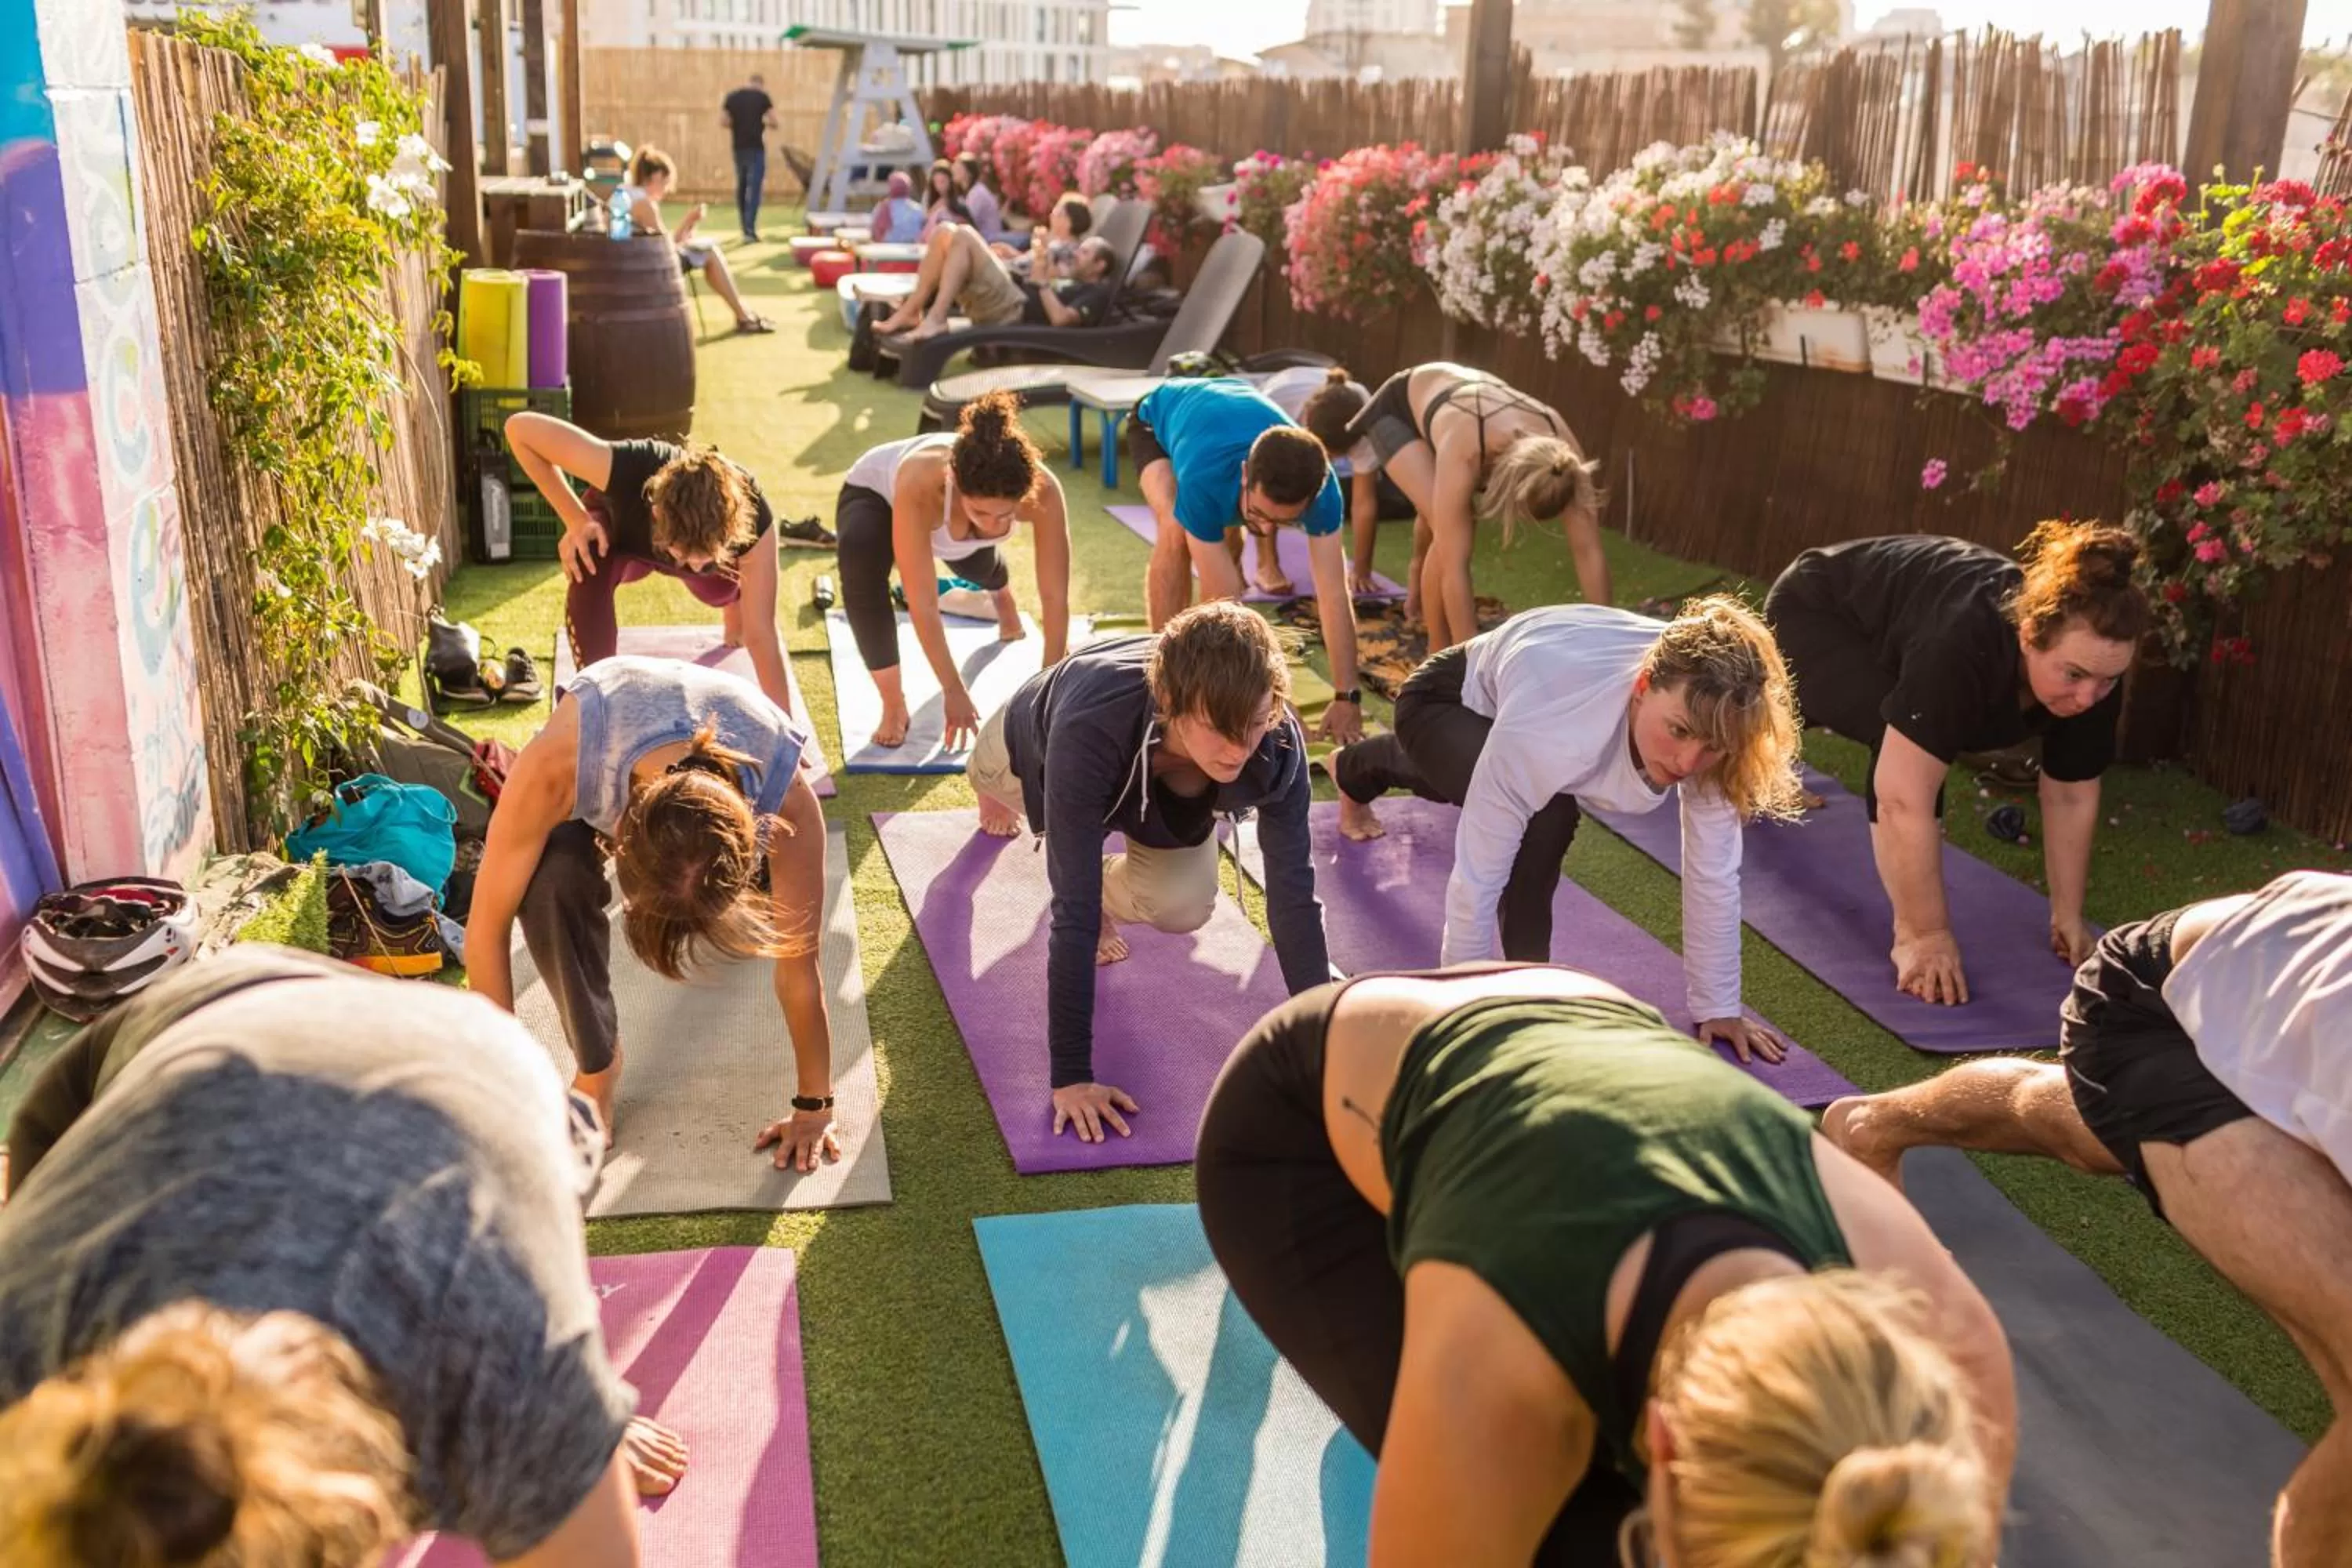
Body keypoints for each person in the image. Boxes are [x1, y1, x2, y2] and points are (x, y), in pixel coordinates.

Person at [1196, 963, 2017, 1565]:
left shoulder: (1955, 1370)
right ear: (1661, 1440)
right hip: (1311, 1125)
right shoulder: (1503, 1357)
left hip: (1593, 1030)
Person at [0, 948, 687, 1567]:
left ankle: (592, 1427)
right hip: (181, 1065)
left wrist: (577, 1445)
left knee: (537, 1306)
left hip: (436, 1058)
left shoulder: (496, 1357)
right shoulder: (22, 1332)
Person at [1821, 869, 2352, 1566]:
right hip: (2159, 1006)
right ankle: (1872, 1126)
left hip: (2276, 1000)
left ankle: (1868, 1127)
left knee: (2089, 1136)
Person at [1330, 599, 1802, 1064]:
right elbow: (1479, 871)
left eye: (1711, 748)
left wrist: (1718, 1006)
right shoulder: (1557, 715)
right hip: (1444, 700)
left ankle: (1353, 768)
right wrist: (1462, 1005)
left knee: (1502, 781)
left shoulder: (1713, 712)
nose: (1688, 762)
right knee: (1543, 817)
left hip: (1526, 701)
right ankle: (1530, 987)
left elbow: (1712, 873)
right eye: (1678, 732)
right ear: (1642, 685)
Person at [965, 601, 1331, 1145]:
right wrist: (1071, 1077)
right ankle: (987, 785)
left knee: (1183, 905)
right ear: (1170, 704)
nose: (1239, 748)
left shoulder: (1274, 742)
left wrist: (1324, 1040)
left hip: (1157, 778)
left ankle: (1109, 877)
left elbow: (1295, 895)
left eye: (1253, 725)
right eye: (1219, 729)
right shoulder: (1090, 727)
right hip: (1034, 748)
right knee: (1051, 851)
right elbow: (1072, 914)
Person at [463, 655, 843, 1173]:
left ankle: (739, 878)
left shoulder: (784, 796)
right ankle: (598, 1073)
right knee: (551, 879)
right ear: (617, 841)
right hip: (610, 740)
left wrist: (815, 1107)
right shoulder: (560, 766)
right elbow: (486, 930)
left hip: (734, 801)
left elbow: (801, 967)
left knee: (783, 909)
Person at [1763, 522, 2149, 1007]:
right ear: (2030, 635)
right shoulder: (1964, 643)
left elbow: (2071, 791)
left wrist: (2067, 914)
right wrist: (1926, 935)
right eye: (2074, 675)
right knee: (1900, 741)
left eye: (2109, 681)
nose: (2089, 697)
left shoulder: (2090, 673)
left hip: (1907, 627)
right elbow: (1903, 795)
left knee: (1914, 730)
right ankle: (1906, 932)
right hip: (1816, 612)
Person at [503, 412, 828, 723]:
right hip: (618, 540)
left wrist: (788, 736)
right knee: (587, 555)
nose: (692, 562)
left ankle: (731, 601)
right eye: (684, 554)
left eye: (705, 557)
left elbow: (762, 635)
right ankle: (598, 701)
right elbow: (520, 430)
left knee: (721, 589)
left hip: (717, 572)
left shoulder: (754, 518)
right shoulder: (628, 466)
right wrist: (576, 519)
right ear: (657, 515)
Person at [1301, 361, 1606, 649]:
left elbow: (1589, 550)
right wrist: (1468, 657)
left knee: (1447, 519)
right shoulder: (1466, 449)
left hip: (1459, 398)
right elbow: (1454, 564)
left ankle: (1418, 592)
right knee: (1450, 532)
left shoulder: (1566, 458)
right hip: (1400, 409)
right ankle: (1437, 650)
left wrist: (1610, 636)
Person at [1130, 376, 1367, 746]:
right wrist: (1278, 703)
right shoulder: (1204, 478)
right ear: (1245, 476)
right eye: (1259, 512)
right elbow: (1224, 606)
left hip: (1222, 423)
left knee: (1229, 530)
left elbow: (1335, 594)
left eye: (1283, 522)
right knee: (1175, 528)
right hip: (1159, 418)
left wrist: (1347, 695)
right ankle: (1161, 678)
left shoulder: (1325, 492)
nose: (1265, 528)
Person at [835, 390, 1074, 749]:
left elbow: (1055, 596)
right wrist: (953, 689)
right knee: (862, 569)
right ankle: (893, 703)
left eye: (1005, 516)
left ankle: (1001, 596)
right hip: (875, 495)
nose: (994, 527)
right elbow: (923, 603)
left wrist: (1048, 689)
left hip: (954, 524)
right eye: (981, 513)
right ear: (955, 485)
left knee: (980, 565)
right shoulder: (922, 485)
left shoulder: (1045, 492)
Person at [614, 147, 773, 334]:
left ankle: (743, 313)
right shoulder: (644, 204)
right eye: (665, 184)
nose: (666, 191)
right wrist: (688, 222)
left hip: (629, 261)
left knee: (704, 251)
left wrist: (687, 227)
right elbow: (666, 251)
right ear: (656, 176)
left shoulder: (623, 192)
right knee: (710, 253)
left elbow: (659, 242)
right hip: (645, 266)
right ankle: (743, 316)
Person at [873, 229, 1117, 345]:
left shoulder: (1096, 293)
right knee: (944, 233)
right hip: (1006, 293)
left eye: (1084, 252)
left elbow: (1062, 320)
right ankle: (911, 311)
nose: (1076, 253)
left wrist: (1042, 283)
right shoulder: (1069, 276)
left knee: (964, 235)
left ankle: (934, 316)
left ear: (1100, 265)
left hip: (1011, 308)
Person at [718, 72, 776, 243]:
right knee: (755, 188)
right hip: (756, 147)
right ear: (761, 84)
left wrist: (738, 124)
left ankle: (744, 227)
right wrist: (762, 122)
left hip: (739, 148)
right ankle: (751, 229)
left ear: (749, 82)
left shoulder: (733, 97)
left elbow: (723, 122)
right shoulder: (763, 98)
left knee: (742, 187)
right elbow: (774, 122)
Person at [995, 191, 1094, 278]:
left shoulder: (1071, 251)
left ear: (1068, 223)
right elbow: (1030, 263)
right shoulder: (1056, 243)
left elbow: (1053, 275)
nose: (1052, 215)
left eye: (1058, 213)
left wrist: (1044, 249)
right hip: (1009, 269)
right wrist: (1012, 254)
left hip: (1014, 280)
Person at [951, 154, 1007, 245]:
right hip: (982, 239)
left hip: (990, 240)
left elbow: (968, 222)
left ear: (969, 173)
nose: (954, 171)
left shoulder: (977, 193)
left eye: (958, 169)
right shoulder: (968, 193)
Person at [917, 158, 969, 240]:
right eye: (936, 182)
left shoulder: (959, 200)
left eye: (943, 181)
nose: (939, 186)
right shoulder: (928, 197)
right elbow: (924, 221)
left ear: (950, 181)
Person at [869, 169, 926, 243]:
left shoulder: (882, 207)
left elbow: (875, 231)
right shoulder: (918, 209)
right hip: (912, 248)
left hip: (887, 249)